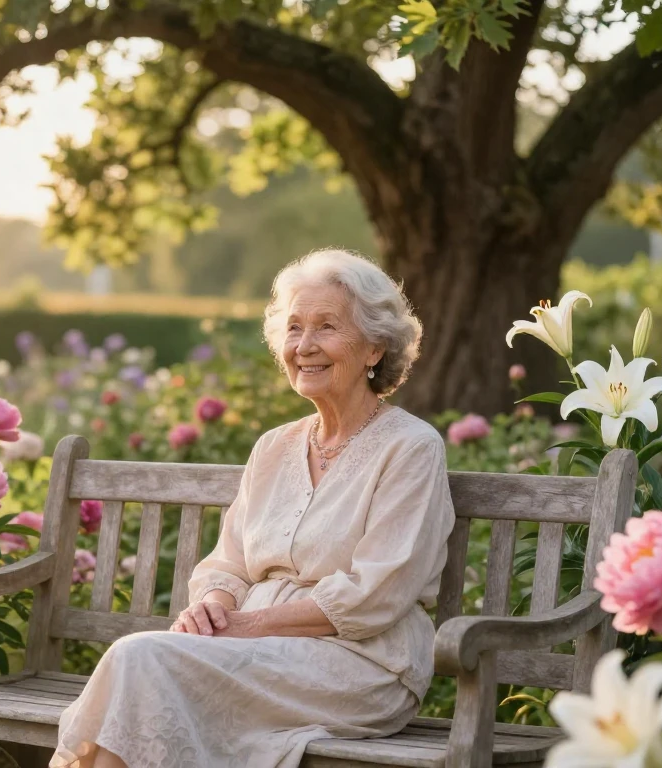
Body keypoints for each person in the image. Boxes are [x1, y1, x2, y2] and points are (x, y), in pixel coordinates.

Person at [51, 249, 456, 768]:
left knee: (142, 658)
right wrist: (215, 602)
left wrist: (247, 625)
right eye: (293, 329)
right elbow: (230, 561)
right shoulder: (274, 447)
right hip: (250, 650)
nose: (304, 346)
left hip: (362, 664)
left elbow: (376, 594)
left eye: (326, 327)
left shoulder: (410, 447)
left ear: (375, 347)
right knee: (143, 670)